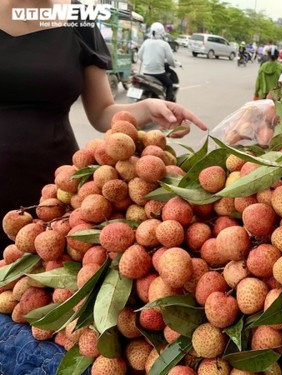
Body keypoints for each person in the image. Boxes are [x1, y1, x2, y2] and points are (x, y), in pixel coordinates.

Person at [0, 0, 208, 255]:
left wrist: (147, 107)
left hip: (58, 185)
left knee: (42, 277)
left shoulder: (79, 19)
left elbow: (101, 112)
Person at [139, 22, 176, 101]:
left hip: (146, 73)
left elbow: (139, 56)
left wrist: (146, 61)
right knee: (169, 85)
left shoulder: (146, 42)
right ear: (162, 32)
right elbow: (170, 60)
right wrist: (174, 65)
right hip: (159, 74)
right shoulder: (164, 44)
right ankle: (167, 103)